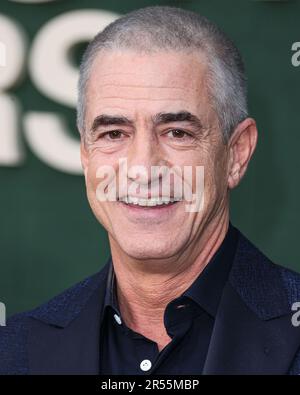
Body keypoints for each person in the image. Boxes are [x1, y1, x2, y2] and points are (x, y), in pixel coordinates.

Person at [1, 6, 300, 375]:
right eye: (113, 134)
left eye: (177, 133)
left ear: (236, 154)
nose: (142, 169)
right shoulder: (14, 352)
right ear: (85, 155)